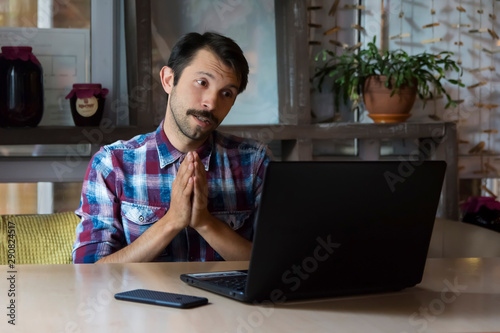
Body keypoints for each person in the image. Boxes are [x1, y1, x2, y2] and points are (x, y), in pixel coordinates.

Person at [72, 32, 272, 263]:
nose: (211, 103)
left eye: (226, 93)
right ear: (169, 80)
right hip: (140, 300)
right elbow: (89, 273)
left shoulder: (254, 162)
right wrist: (172, 221)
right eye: (202, 83)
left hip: (229, 301)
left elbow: (276, 265)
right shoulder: (112, 164)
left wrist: (205, 222)